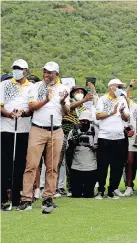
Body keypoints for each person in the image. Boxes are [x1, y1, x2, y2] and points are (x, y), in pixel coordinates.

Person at [17, 61, 70, 212]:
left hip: (56, 130)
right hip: (38, 129)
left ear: (56, 74)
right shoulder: (36, 87)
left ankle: (48, 198)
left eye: (50, 72)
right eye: (45, 72)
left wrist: (61, 103)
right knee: (31, 165)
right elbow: (32, 107)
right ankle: (26, 199)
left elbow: (67, 111)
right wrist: (46, 100)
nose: (47, 75)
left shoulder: (63, 89)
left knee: (52, 167)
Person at [1, 59, 33, 210]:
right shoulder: (4, 85)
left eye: (19, 68)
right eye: (14, 68)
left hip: (23, 129)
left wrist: (23, 113)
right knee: (5, 164)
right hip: (6, 128)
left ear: (26, 71)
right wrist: (8, 114)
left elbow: (32, 108)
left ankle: (16, 197)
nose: (16, 70)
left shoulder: (32, 87)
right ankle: (3, 198)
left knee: (19, 164)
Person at [55, 85, 94, 197]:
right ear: (72, 93)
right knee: (58, 161)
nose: (79, 92)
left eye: (81, 91)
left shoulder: (83, 107)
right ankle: (56, 188)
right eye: (77, 91)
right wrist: (84, 99)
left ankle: (70, 187)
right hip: (64, 133)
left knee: (70, 162)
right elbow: (70, 107)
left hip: (77, 136)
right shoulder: (70, 101)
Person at [95, 78, 129, 200]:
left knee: (117, 165)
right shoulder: (102, 99)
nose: (120, 89)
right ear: (111, 86)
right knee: (102, 165)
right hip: (104, 137)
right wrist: (112, 112)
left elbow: (126, 118)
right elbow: (98, 116)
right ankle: (100, 190)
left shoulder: (122, 99)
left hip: (119, 137)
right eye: (118, 86)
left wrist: (122, 112)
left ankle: (112, 190)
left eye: (121, 87)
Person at [67, 110, 98, 198]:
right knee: (76, 194)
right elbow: (68, 151)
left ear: (90, 121)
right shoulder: (73, 131)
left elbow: (98, 148)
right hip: (76, 167)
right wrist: (74, 143)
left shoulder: (94, 130)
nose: (83, 123)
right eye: (81, 121)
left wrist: (89, 145)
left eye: (85, 121)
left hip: (91, 167)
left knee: (88, 195)